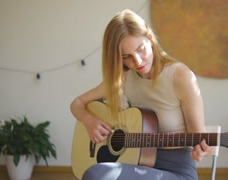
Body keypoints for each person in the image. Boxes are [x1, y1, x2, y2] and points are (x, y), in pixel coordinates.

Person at [70, 9, 214, 180]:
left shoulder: (181, 76)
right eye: (126, 56)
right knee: (95, 172)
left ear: (150, 38)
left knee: (99, 175)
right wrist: (90, 121)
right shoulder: (123, 78)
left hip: (177, 172)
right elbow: (77, 103)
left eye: (141, 49)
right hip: (136, 165)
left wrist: (203, 149)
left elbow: (199, 139)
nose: (137, 61)